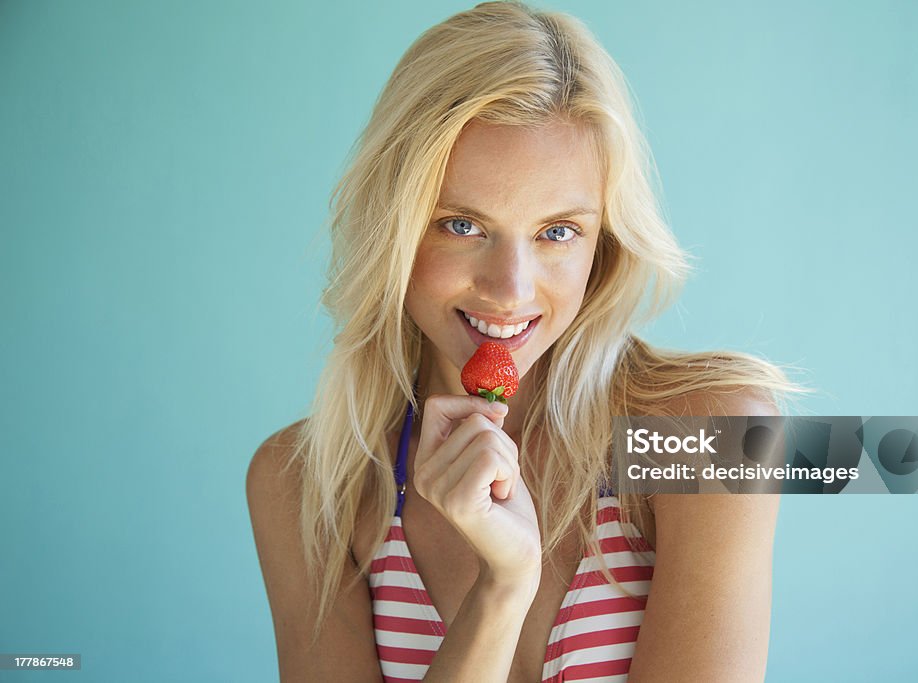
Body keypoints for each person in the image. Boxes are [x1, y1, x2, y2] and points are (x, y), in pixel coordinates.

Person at [247, 2, 802, 680]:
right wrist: (503, 586)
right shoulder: (304, 487)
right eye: (462, 225)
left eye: (557, 231)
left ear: (602, 244)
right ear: (394, 226)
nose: (510, 289)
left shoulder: (712, 436)